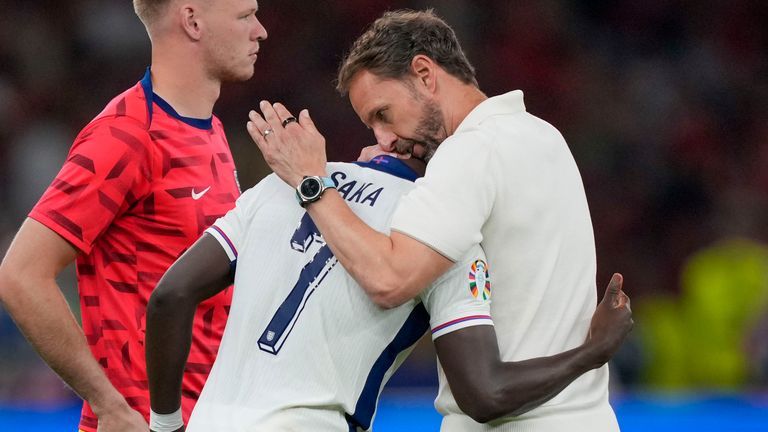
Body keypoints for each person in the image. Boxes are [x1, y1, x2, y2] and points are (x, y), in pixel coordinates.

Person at [246, 8, 627, 431]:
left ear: (425, 74)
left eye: (383, 114)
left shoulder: (468, 154)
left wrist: (312, 182)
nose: (383, 139)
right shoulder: (544, 136)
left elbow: (389, 280)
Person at [145, 155, 632, 432]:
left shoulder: (278, 186)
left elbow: (170, 295)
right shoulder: (444, 238)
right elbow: (485, 393)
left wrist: (166, 425)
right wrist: (592, 352)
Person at [0, 1, 267, 431]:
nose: (260, 31)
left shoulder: (209, 130)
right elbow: (20, 274)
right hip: (148, 422)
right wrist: (108, 405)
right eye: (245, 16)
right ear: (192, 21)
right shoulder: (128, 133)